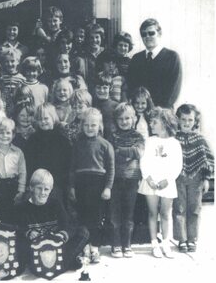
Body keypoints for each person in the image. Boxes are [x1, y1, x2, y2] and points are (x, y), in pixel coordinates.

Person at [15, 169, 89, 277]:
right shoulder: (24, 208)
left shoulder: (55, 204)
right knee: (20, 245)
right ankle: (64, 264)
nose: (43, 193)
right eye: (39, 188)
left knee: (83, 232)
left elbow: (69, 225)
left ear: (51, 190)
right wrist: (28, 233)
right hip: (37, 251)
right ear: (31, 188)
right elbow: (18, 228)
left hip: (57, 248)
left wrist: (62, 235)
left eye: (46, 189)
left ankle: (59, 264)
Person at [69, 108, 115, 264]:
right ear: (82, 126)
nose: (90, 128)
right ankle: (84, 248)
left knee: (96, 219)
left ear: (100, 126)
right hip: (81, 184)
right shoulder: (77, 144)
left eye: (93, 125)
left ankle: (95, 248)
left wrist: (107, 187)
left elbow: (111, 169)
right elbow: (72, 168)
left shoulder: (106, 145)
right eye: (87, 125)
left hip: (98, 184)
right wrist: (72, 187)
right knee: (82, 217)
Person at [137, 107, 182, 258]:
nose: (151, 125)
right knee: (152, 212)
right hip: (150, 182)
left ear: (164, 123)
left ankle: (165, 243)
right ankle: (154, 243)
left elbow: (177, 165)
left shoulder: (175, 143)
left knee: (165, 213)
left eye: (154, 122)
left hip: (167, 183)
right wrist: (148, 178)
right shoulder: (149, 141)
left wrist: (167, 180)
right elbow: (143, 161)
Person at [173, 104, 214, 253]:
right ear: (178, 120)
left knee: (195, 208)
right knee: (179, 208)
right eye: (183, 119)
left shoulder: (200, 139)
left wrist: (206, 179)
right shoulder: (174, 138)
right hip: (178, 177)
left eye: (190, 120)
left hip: (196, 178)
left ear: (195, 121)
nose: (186, 123)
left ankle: (192, 239)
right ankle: (182, 239)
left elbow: (208, 160)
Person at [109, 103, 144, 258]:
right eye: (121, 119)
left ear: (134, 119)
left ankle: (127, 245)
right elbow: (111, 155)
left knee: (128, 214)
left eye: (127, 118)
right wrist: (129, 153)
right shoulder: (112, 136)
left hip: (132, 179)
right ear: (116, 121)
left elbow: (139, 152)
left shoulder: (138, 136)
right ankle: (116, 244)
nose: (124, 121)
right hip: (115, 179)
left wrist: (121, 151)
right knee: (114, 214)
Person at [127, 18, 182, 108]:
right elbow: (131, 87)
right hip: (140, 111)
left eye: (151, 33)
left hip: (162, 112)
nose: (147, 36)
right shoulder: (136, 59)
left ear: (159, 34)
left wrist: (158, 111)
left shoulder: (172, 57)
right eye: (144, 34)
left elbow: (173, 90)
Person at [0, 117, 27, 224]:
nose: (5, 136)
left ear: (13, 135)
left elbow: (23, 172)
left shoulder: (18, 152)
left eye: (8, 133)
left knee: (13, 219)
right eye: (1, 133)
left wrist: (21, 191)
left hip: (13, 188)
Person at [24, 103, 72, 198]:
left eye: (46, 118)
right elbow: (28, 164)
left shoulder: (62, 140)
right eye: (40, 119)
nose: (43, 122)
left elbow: (67, 165)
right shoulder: (32, 140)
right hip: (37, 184)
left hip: (57, 184)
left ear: (53, 118)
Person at [75, 23, 106, 88]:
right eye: (91, 38)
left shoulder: (106, 53)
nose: (94, 40)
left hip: (102, 88)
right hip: (87, 88)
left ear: (101, 38)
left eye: (97, 37)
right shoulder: (82, 55)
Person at [0, 48, 26, 117]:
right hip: (4, 109)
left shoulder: (22, 79)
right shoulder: (2, 78)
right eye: (7, 61)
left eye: (12, 61)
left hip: (17, 109)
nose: (10, 64)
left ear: (18, 61)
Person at [92, 72, 119, 141]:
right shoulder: (92, 105)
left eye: (105, 88)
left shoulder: (116, 106)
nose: (101, 90)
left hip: (111, 142)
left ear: (110, 88)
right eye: (98, 87)